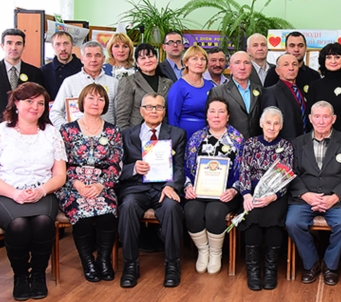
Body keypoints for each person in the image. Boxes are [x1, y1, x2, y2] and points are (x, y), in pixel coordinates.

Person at [0, 82, 66, 300]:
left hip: (42, 191)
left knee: (43, 222)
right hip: (3, 194)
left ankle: (38, 274)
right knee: (18, 224)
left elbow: (60, 175)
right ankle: (20, 276)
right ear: (16, 103)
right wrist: (14, 193)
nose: (35, 107)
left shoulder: (52, 133)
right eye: (29, 101)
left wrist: (41, 190)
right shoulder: (0, 133)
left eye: (40, 103)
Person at [286, 101, 341, 286]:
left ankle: (330, 264)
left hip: (337, 199)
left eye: (326, 116)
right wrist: (305, 194)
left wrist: (335, 197)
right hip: (305, 198)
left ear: (334, 119)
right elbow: (290, 173)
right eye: (317, 116)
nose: (321, 121)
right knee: (292, 223)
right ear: (311, 119)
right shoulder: (298, 143)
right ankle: (311, 262)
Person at [116, 93, 186, 288]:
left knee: (172, 208)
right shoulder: (126, 134)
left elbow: (180, 167)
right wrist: (133, 168)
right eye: (149, 107)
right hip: (136, 187)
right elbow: (116, 167)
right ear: (141, 110)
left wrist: (171, 185)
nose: (153, 111)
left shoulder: (177, 134)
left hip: (164, 187)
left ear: (164, 112)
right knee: (128, 207)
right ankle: (131, 265)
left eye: (158, 107)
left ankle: (172, 264)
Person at [56, 84, 123, 282]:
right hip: (72, 186)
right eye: (91, 98)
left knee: (107, 215)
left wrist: (101, 185)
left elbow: (116, 164)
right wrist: (77, 184)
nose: (96, 103)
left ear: (105, 104)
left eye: (101, 99)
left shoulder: (113, 131)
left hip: (103, 185)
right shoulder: (67, 130)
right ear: (82, 102)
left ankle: (103, 260)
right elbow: (61, 163)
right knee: (82, 216)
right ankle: (88, 262)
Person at [183, 97, 244, 275]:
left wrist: (234, 190)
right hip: (199, 191)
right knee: (192, 211)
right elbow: (186, 167)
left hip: (226, 193)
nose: (216, 115)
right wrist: (188, 186)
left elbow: (244, 171)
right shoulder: (196, 138)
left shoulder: (237, 139)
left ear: (228, 116)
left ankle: (216, 253)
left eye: (221, 111)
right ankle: (203, 251)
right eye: (212, 111)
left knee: (214, 212)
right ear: (207, 116)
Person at [235, 107, 294, 290]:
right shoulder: (250, 143)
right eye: (268, 122)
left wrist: (273, 196)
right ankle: (253, 271)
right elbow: (243, 171)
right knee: (252, 219)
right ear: (261, 124)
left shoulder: (286, 146)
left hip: (276, 194)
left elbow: (287, 177)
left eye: (276, 123)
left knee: (274, 222)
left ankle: (270, 271)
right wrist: (245, 195)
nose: (271, 127)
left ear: (281, 126)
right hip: (252, 192)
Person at [0, 28, 45, 142]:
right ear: (2, 46)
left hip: (28, 131)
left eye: (18, 43)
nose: (13, 47)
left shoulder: (35, 72)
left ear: (24, 47)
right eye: (9, 43)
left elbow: (40, 103)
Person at [50, 41, 118, 127]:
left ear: (103, 59)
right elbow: (55, 113)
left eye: (97, 55)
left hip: (106, 136)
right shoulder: (70, 82)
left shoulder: (114, 83)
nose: (93, 59)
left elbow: (119, 115)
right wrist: (69, 131)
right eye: (88, 55)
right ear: (82, 59)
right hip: (76, 137)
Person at [305, 42, 341, 136]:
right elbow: (310, 115)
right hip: (319, 136)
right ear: (323, 60)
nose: (333, 61)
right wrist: (323, 132)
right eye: (329, 57)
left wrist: (335, 136)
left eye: (337, 57)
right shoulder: (315, 85)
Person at [115, 43, 174, 130]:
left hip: (162, 134)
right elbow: (122, 117)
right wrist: (126, 138)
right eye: (143, 58)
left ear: (157, 59)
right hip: (136, 134)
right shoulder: (128, 82)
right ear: (137, 63)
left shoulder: (168, 83)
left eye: (150, 57)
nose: (147, 60)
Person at [167, 45, 216, 140]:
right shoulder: (178, 87)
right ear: (186, 63)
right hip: (184, 135)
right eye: (194, 59)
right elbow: (172, 119)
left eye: (203, 59)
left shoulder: (210, 86)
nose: (199, 62)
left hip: (207, 135)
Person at [210, 51, 264, 138]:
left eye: (246, 63)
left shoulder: (261, 90)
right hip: (229, 144)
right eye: (237, 63)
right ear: (230, 68)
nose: (242, 67)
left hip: (255, 145)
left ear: (251, 67)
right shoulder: (218, 92)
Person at [260, 54, 307, 140]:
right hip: (283, 145)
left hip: (303, 143)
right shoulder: (270, 92)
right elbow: (270, 125)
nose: (291, 68)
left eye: (294, 64)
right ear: (277, 70)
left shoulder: (301, 91)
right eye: (286, 65)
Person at [41, 31, 82, 100]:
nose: (62, 48)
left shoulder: (84, 68)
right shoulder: (44, 71)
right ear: (53, 46)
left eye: (66, 43)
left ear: (72, 45)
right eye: (58, 44)